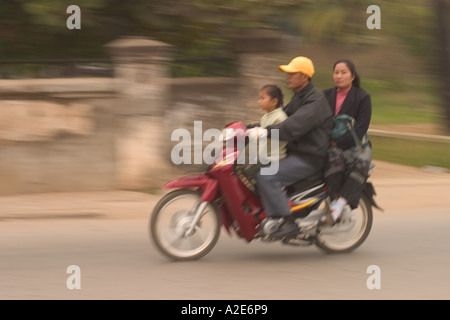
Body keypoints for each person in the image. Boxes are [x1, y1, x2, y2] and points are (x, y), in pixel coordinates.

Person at [250, 56, 334, 238]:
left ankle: (288, 222)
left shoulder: (315, 100)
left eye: (292, 73)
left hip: (309, 158)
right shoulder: (298, 97)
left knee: (267, 176)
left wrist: (264, 132)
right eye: (287, 73)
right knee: (250, 170)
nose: (288, 77)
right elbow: (278, 119)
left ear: (304, 77)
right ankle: (266, 215)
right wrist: (246, 128)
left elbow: (293, 126)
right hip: (295, 154)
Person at [322, 59, 372, 224]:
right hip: (330, 144)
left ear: (352, 76)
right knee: (332, 161)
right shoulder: (325, 95)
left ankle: (339, 205)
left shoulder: (363, 97)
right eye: (336, 72)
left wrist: (339, 142)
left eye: (343, 72)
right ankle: (333, 200)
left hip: (356, 145)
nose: (339, 76)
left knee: (359, 165)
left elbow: (361, 127)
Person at [236, 85, 288, 193]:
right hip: (264, 156)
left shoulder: (280, 117)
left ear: (274, 102)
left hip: (274, 158)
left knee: (247, 174)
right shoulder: (266, 116)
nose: (259, 101)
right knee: (241, 169)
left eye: (262, 98)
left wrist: (255, 133)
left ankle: (261, 198)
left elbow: (271, 134)